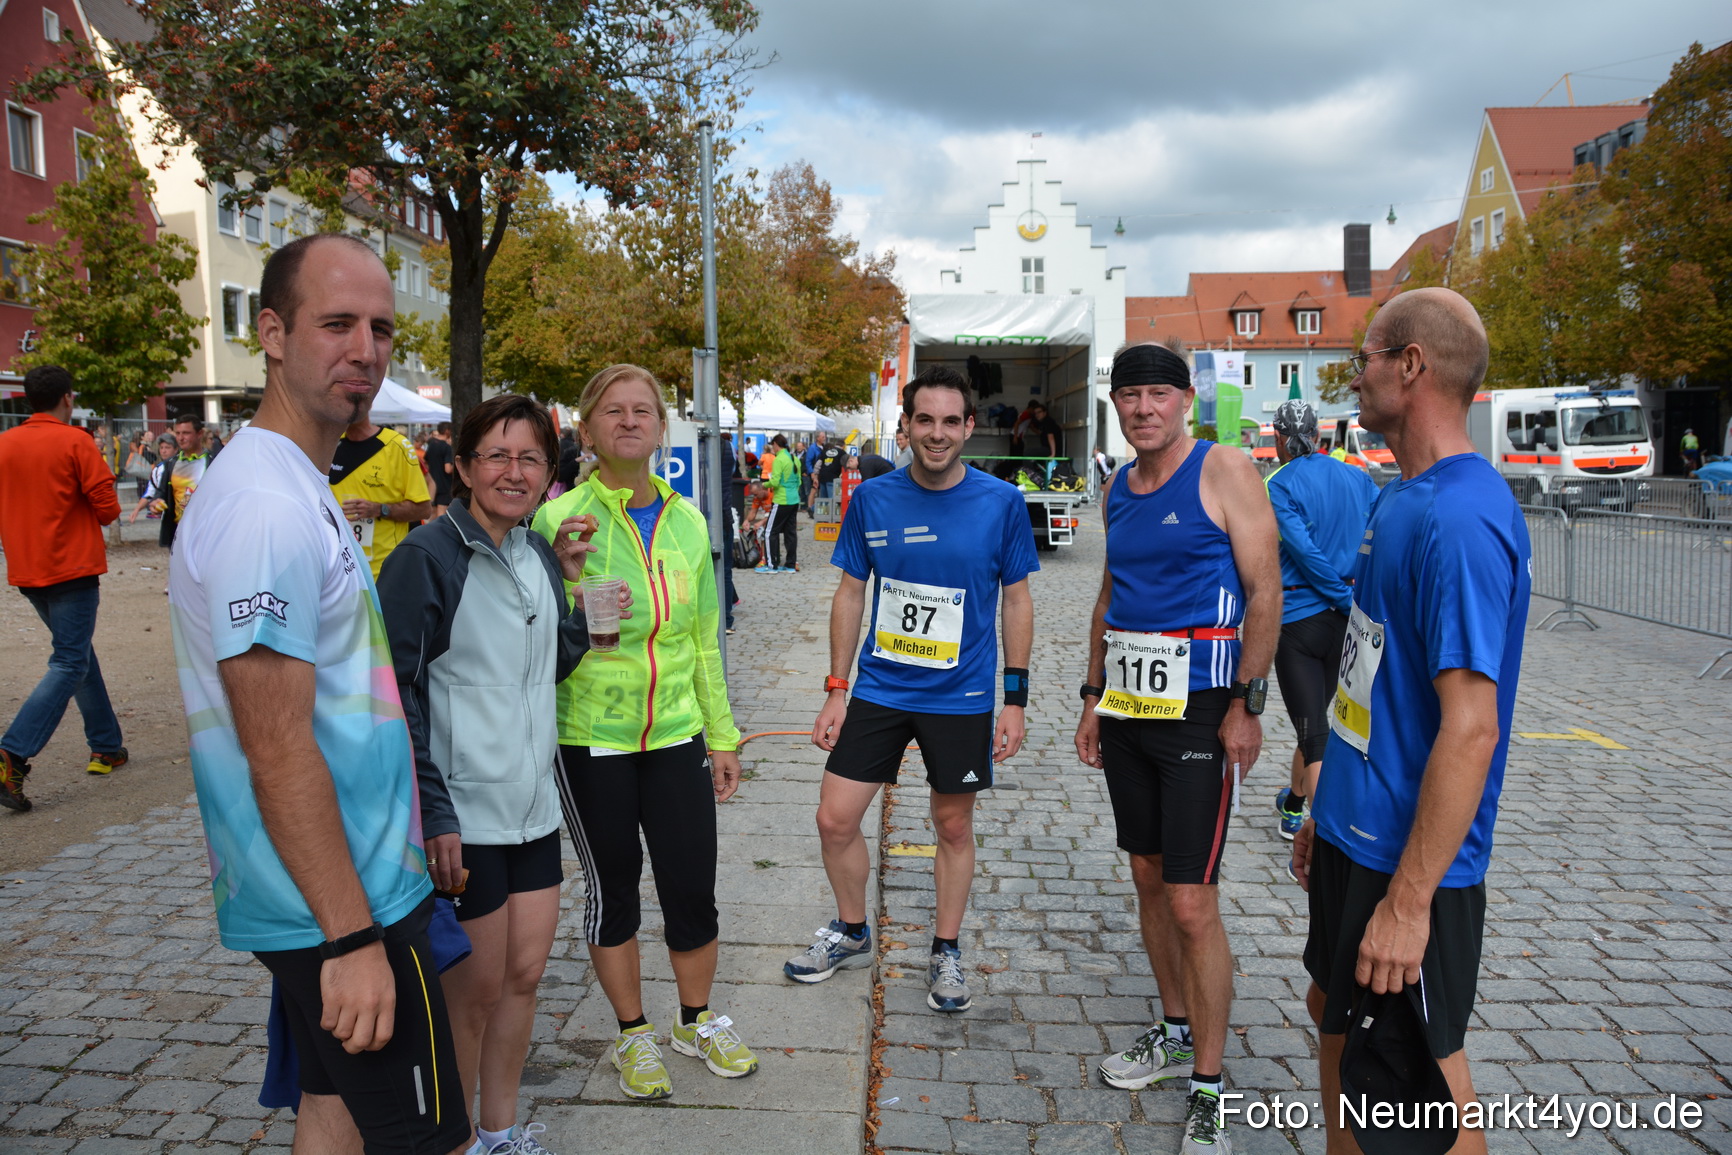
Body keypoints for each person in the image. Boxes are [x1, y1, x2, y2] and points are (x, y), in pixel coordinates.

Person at [167, 233, 471, 1154]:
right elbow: (275, 742)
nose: (365, 350)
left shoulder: (295, 479)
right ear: (270, 331)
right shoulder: (265, 505)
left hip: (336, 887)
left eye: (380, 328)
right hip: (342, 905)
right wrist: (349, 940)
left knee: (335, 1109)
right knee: (431, 1141)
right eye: (336, 323)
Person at [1292, 288, 1529, 1155]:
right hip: (1358, 835)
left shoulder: (1462, 518)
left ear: (1412, 365)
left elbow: (1472, 727)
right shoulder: (1401, 499)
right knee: (1334, 1016)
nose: (1354, 377)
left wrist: (1411, 897)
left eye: (1365, 359)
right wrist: (1328, 803)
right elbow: (1369, 676)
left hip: (1410, 862)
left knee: (1419, 1077)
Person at [379, 394, 603, 1155]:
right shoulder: (428, 558)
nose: (515, 471)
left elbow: (552, 664)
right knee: (469, 996)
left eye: (531, 457)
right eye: (498, 456)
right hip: (465, 817)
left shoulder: (534, 549)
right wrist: (434, 813)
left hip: (532, 809)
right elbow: (395, 694)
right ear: (464, 465)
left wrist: (572, 590)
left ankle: (502, 1131)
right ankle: (458, 1139)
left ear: (550, 471)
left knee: (524, 977)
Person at [1075, 342, 1280, 1154]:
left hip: (1201, 709)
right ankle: (1171, 1029)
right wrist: (1092, 698)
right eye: (1129, 396)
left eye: (1158, 393)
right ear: (1116, 407)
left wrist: (1248, 704)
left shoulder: (1223, 468)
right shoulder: (1118, 487)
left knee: (1194, 900)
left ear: (1185, 399)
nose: (1143, 408)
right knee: (1149, 879)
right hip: (1128, 704)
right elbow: (1108, 594)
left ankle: (1210, 1084)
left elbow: (1267, 588)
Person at [532, 364, 755, 1102]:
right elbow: (532, 630)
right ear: (588, 429)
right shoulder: (557, 518)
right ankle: (632, 1033)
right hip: (591, 735)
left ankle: (694, 1020)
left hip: (676, 735)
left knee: (693, 886)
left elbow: (702, 639)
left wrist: (721, 736)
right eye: (614, 411)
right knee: (614, 888)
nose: (630, 421)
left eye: (643, 411)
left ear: (662, 428)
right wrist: (565, 575)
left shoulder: (690, 522)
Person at [790, 367, 1036, 1016]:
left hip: (958, 699)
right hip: (880, 689)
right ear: (906, 426)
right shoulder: (873, 499)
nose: (936, 433)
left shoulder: (1001, 502)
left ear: (968, 427)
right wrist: (836, 688)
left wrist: (1015, 696)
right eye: (924, 420)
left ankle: (946, 947)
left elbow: (1017, 597)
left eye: (950, 421)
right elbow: (850, 591)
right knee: (834, 817)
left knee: (953, 824)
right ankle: (851, 928)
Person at [0, 365, 126, 809]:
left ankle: (107, 744)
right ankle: (12, 753)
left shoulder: (4, 443)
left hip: (27, 570)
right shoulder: (75, 441)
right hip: (71, 568)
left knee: (77, 653)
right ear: (68, 398)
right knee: (69, 661)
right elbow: (108, 510)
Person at [1263, 400, 1377, 842]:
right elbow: (1378, 538)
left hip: (1300, 621)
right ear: (1320, 435)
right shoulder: (1358, 476)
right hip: (1347, 624)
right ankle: (1294, 803)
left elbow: (1304, 552)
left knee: (1313, 731)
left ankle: (1324, 834)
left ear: (1276, 438)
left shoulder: (1278, 482)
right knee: (1315, 721)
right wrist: (1355, 599)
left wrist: (1341, 597)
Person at [329, 408, 434, 579]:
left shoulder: (396, 445)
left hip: (384, 571)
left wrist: (380, 509)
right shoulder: (330, 444)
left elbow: (423, 509)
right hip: (340, 571)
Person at [156, 415, 217, 550]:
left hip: (206, 533)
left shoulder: (214, 462)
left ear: (199, 434)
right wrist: (156, 502)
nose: (181, 438)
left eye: (186, 433)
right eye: (177, 433)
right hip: (177, 532)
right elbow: (161, 493)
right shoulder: (171, 464)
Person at [765, 432, 801, 573]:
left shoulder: (779, 459)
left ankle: (771, 564)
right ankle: (790, 564)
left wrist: (765, 485)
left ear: (775, 444)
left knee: (770, 532)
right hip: (794, 499)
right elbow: (799, 481)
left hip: (781, 499)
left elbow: (775, 481)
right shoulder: (794, 458)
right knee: (790, 532)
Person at [128, 433, 183, 525]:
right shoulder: (157, 469)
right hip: (168, 517)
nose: (163, 451)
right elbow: (150, 493)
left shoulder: (183, 467)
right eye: (161, 448)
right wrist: (136, 510)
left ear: (176, 449)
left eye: (167, 448)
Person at [424, 420, 455, 517]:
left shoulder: (432, 444)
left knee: (432, 512)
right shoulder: (447, 447)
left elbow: (426, 461)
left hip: (432, 483)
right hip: (444, 484)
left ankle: (429, 532)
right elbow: (448, 469)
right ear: (447, 431)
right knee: (441, 512)